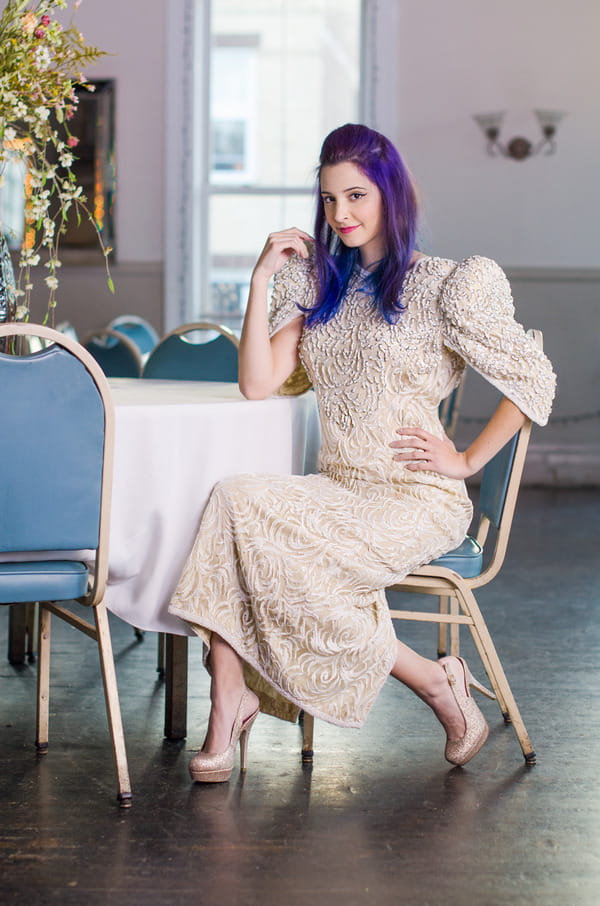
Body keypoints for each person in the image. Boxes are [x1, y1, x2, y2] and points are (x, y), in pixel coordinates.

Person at [169, 123, 556, 783]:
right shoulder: (320, 285)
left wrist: (465, 461)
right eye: (327, 200)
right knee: (233, 502)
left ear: (391, 197)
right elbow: (257, 383)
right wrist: (263, 279)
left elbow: (534, 378)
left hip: (413, 498)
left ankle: (435, 684)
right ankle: (228, 698)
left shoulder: (446, 285)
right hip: (339, 488)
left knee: (283, 555)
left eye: (356, 197)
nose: (340, 214)